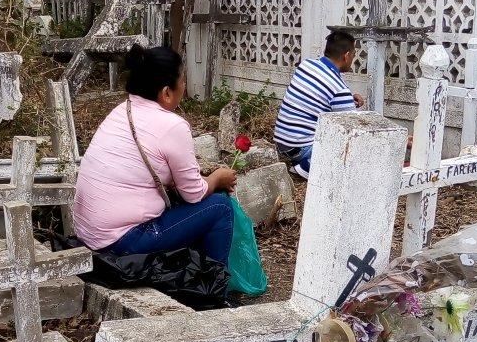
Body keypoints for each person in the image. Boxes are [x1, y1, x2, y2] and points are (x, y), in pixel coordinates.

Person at [72, 45, 239, 266]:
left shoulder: (122, 110)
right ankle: (213, 288)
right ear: (167, 92)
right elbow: (194, 194)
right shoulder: (173, 126)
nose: (184, 87)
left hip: (89, 234)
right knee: (219, 207)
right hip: (121, 241)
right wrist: (218, 178)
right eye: (182, 81)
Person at [273, 30, 365, 178]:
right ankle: (308, 166)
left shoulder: (306, 65)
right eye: (353, 55)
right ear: (346, 56)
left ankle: (305, 163)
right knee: (354, 146)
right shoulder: (340, 89)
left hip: (282, 142)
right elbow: (354, 129)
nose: (353, 59)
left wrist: (349, 99)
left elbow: (317, 96)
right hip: (303, 148)